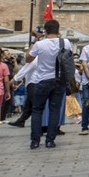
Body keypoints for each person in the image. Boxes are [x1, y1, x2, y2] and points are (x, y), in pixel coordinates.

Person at [25, 20, 71, 150]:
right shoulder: (65, 42)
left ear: (45, 31)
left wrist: (35, 40)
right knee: (54, 110)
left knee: (37, 110)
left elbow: (28, 58)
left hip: (42, 80)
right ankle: (50, 140)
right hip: (59, 80)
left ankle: (35, 141)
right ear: (58, 30)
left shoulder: (40, 44)